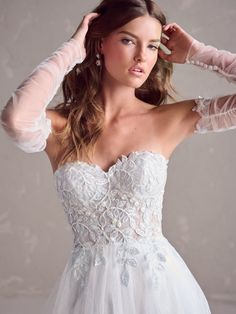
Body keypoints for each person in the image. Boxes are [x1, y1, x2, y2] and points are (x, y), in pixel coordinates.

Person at [1, 0, 235, 313]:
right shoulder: (60, 128)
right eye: (128, 40)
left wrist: (198, 53)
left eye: (152, 46)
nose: (142, 56)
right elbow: (16, 119)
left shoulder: (169, 119)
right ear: (99, 44)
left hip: (159, 291)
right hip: (85, 294)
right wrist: (72, 51)